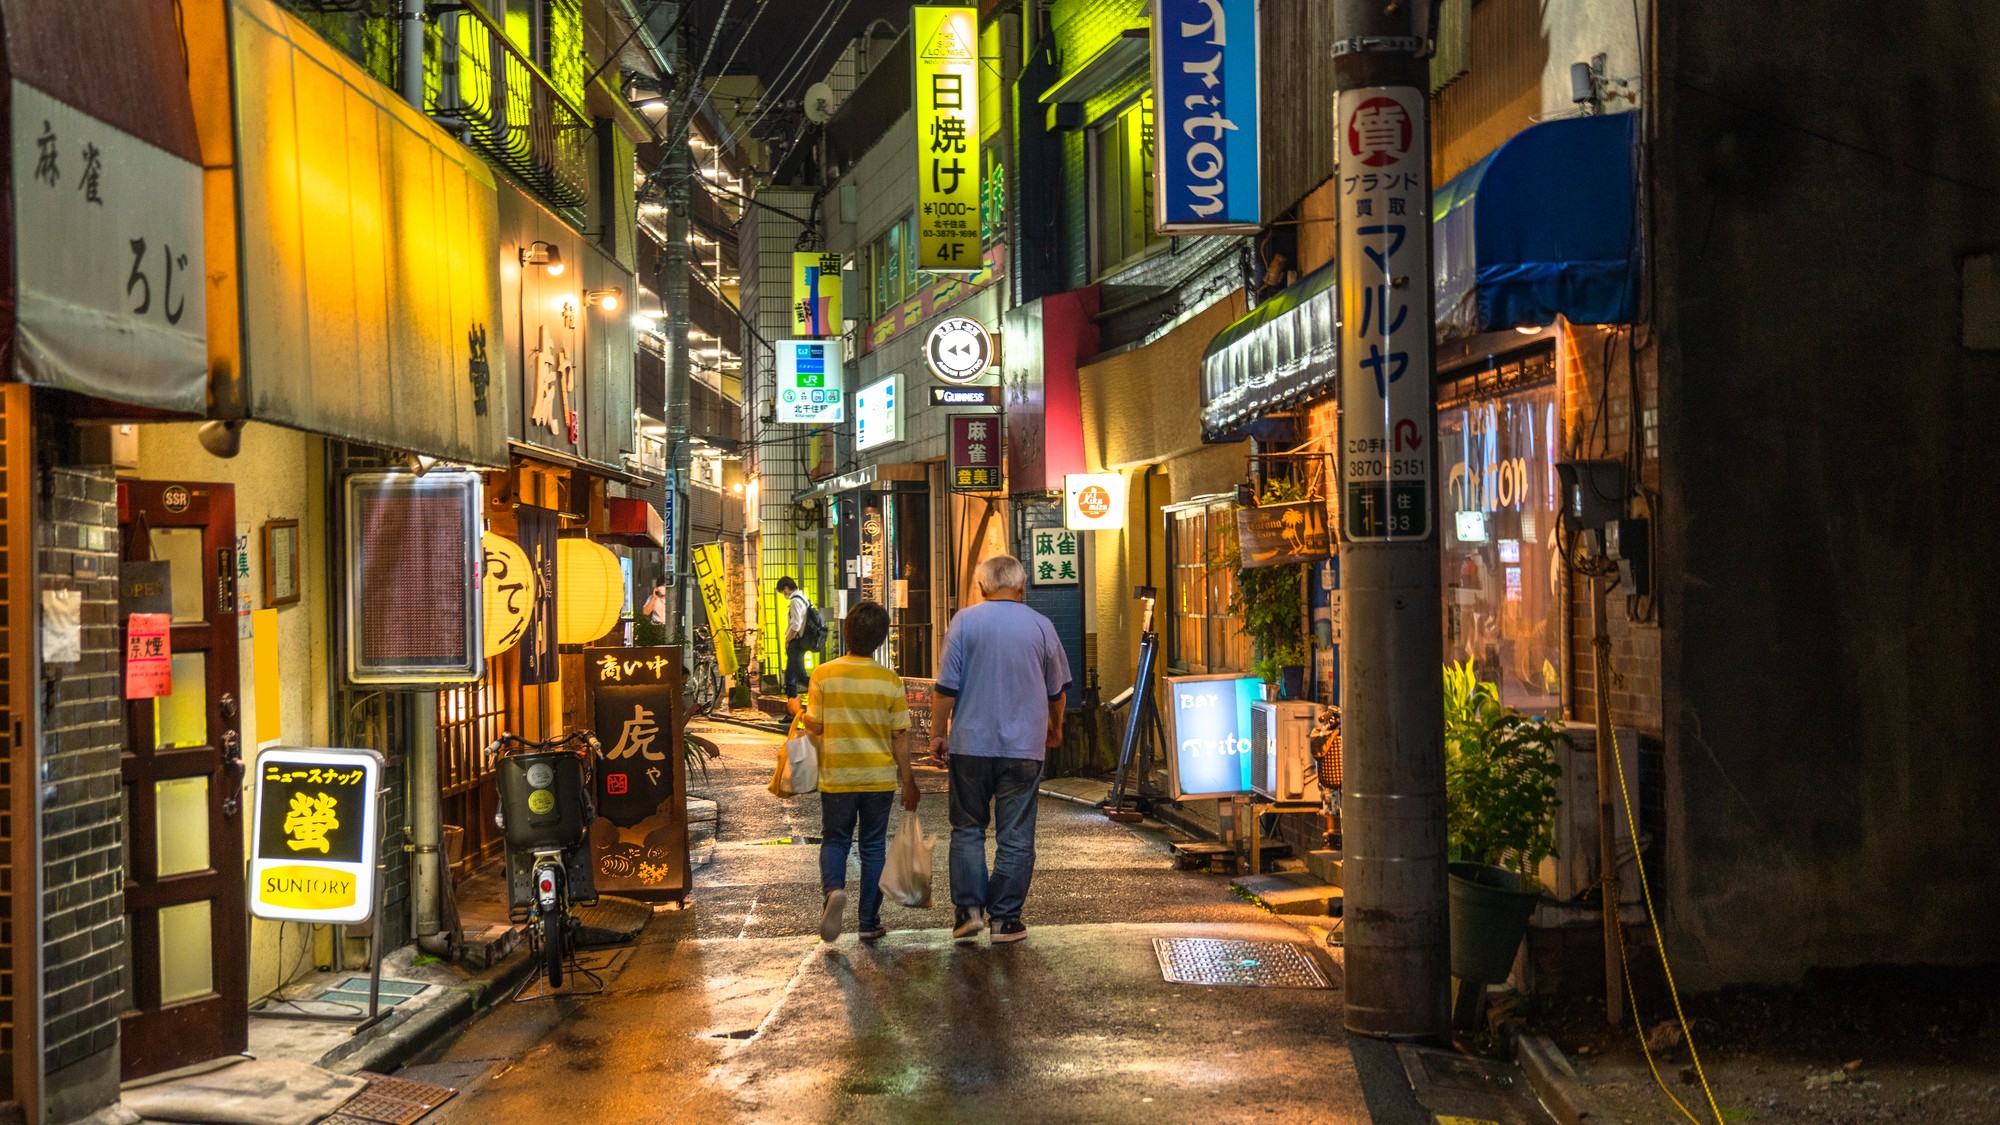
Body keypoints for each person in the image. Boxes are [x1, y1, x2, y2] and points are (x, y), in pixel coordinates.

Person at [928, 555, 1071, 944]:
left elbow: (946, 687)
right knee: (1016, 835)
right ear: (1022, 587)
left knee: (968, 829)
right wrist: (1054, 728)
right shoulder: (1041, 626)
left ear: (981, 587)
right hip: (1024, 748)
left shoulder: (964, 622)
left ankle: (969, 911)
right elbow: (1057, 691)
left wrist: (938, 733)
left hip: (970, 745)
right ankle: (1005, 920)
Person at [802, 600, 920, 942]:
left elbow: (816, 728)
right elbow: (900, 736)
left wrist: (799, 710)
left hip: (838, 776)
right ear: (881, 639)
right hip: (878, 779)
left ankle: (834, 891)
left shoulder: (823, 675)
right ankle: (868, 922)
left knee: (835, 839)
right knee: (872, 847)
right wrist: (908, 781)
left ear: (845, 632)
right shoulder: (890, 682)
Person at [777, 576, 814, 699]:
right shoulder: (804, 599)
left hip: (796, 642)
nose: (783, 594)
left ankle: (823, 692)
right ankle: (791, 709)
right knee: (790, 676)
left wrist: (788, 639)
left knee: (800, 676)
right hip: (802, 640)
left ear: (786, 588)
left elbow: (796, 624)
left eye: (782, 591)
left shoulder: (795, 602)